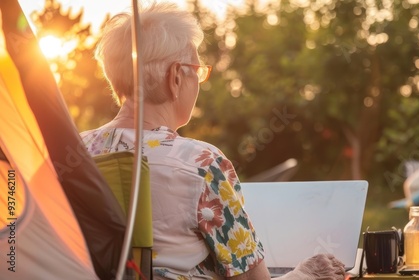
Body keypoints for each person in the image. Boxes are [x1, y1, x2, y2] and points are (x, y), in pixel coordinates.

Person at [80, 3, 346, 280]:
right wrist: (307, 274)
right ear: (175, 77)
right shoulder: (201, 163)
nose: (199, 81)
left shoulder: (73, 154)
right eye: (198, 70)